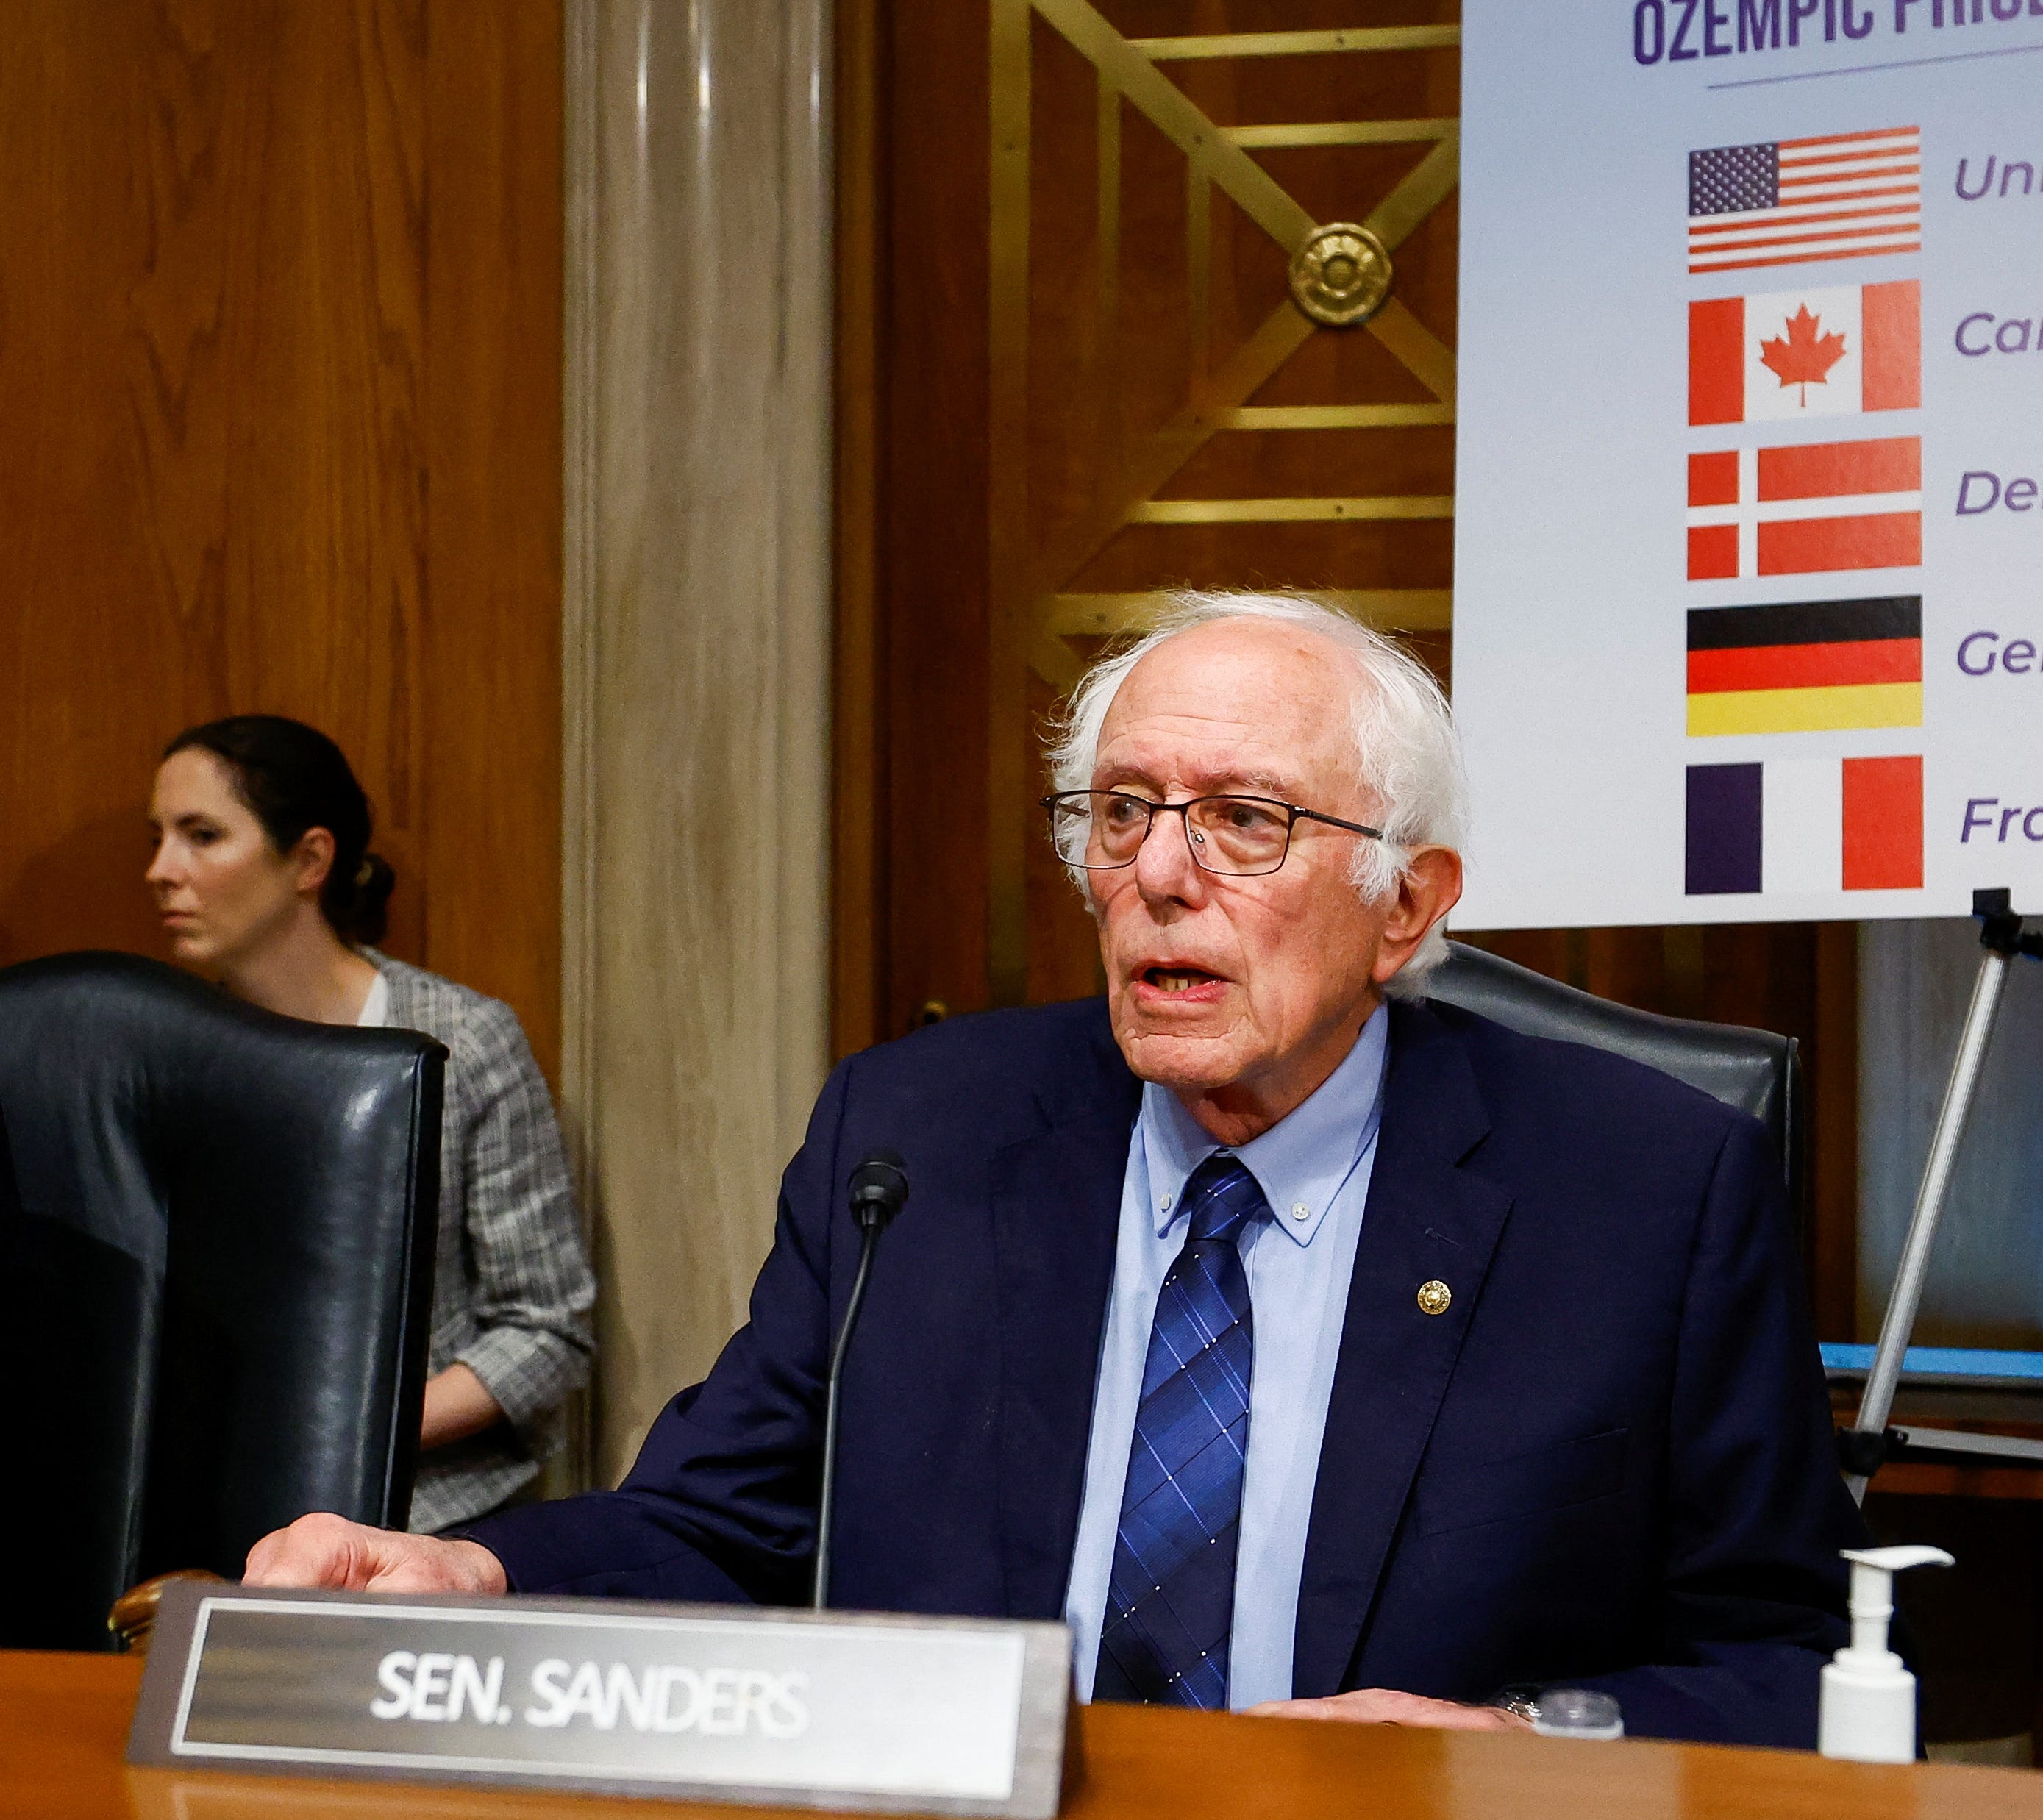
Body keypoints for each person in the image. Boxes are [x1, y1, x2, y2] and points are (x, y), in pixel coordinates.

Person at [244, 594, 1860, 1745]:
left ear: (1406, 905)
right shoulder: (922, 1136)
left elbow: (1772, 1661)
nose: (1158, 874)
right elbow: (727, 1526)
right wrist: (472, 1562)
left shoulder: (1642, 1195)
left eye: (1243, 820)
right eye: (1121, 813)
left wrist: (1506, 1737)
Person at [146, 715, 596, 1533]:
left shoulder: (462, 1039)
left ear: (310, 859)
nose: (160, 870)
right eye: (160, 837)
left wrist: (348, 1436)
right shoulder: (162, 1049)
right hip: (200, 1516)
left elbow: (545, 1329)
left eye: (201, 836)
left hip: (425, 1516)